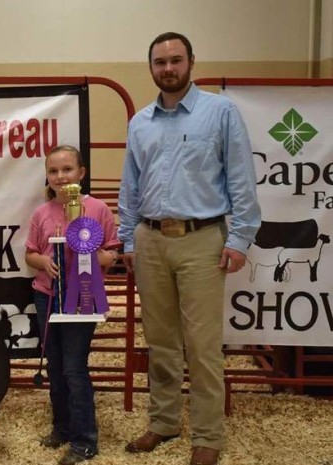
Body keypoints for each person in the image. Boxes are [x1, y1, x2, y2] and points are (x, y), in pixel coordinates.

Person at [117, 32, 261, 465]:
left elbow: (241, 179)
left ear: (191, 62)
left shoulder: (221, 113)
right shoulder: (139, 122)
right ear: (151, 68)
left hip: (202, 240)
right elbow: (131, 185)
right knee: (160, 341)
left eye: (175, 60)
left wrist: (239, 238)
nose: (168, 69)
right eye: (160, 62)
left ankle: (207, 436)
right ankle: (162, 423)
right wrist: (127, 237)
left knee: (202, 345)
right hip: (150, 239)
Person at [25, 145, 120, 465]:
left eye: (67, 169)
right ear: (47, 177)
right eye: (53, 171)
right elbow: (30, 254)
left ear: (82, 173)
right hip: (46, 295)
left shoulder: (98, 209)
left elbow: (112, 253)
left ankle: (84, 440)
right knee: (55, 366)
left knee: (74, 367)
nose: (60, 176)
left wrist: (88, 256)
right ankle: (61, 428)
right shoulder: (42, 214)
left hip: (82, 298)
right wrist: (43, 261)